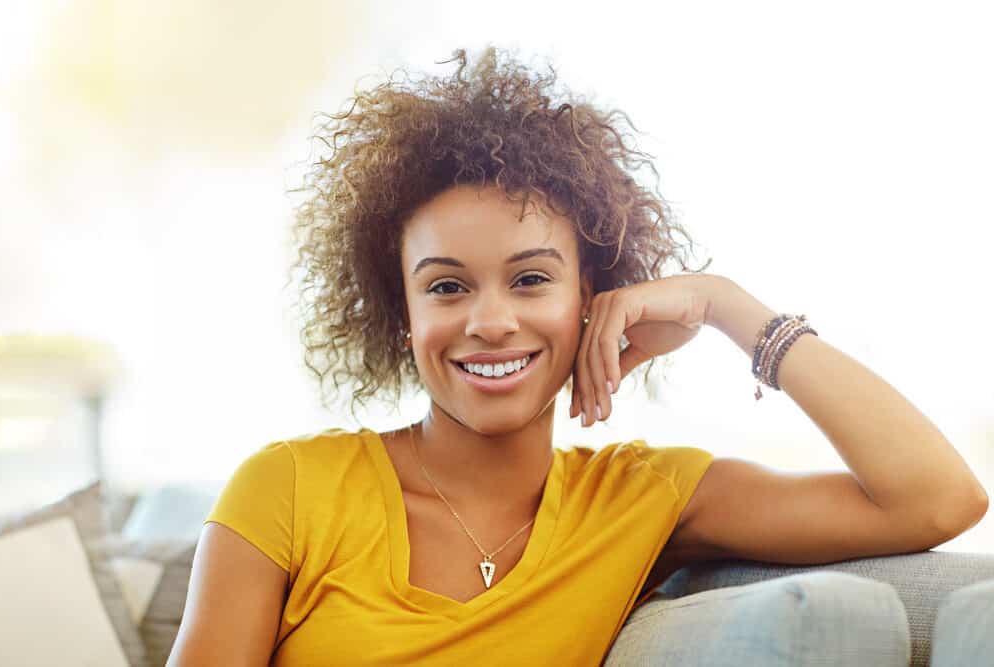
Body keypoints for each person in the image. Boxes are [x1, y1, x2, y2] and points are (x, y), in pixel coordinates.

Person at [167, 45, 988, 666]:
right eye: (447, 287)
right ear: (401, 314)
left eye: (530, 279)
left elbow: (937, 499)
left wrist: (726, 305)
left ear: (592, 294)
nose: (490, 321)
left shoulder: (640, 499)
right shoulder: (287, 491)